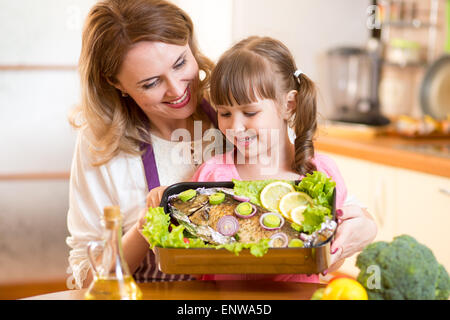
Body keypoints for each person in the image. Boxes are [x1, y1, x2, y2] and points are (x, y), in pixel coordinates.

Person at [187, 36, 377, 281]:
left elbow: (330, 262)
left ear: (289, 105)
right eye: (224, 113)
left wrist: (338, 247)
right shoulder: (211, 174)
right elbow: (192, 261)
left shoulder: (319, 173)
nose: (235, 126)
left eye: (250, 112)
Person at [66, 0, 225, 289]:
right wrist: (147, 226)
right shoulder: (101, 143)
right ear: (116, 83)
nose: (177, 90)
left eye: (180, 63)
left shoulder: (235, 106)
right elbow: (89, 279)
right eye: (151, 83)